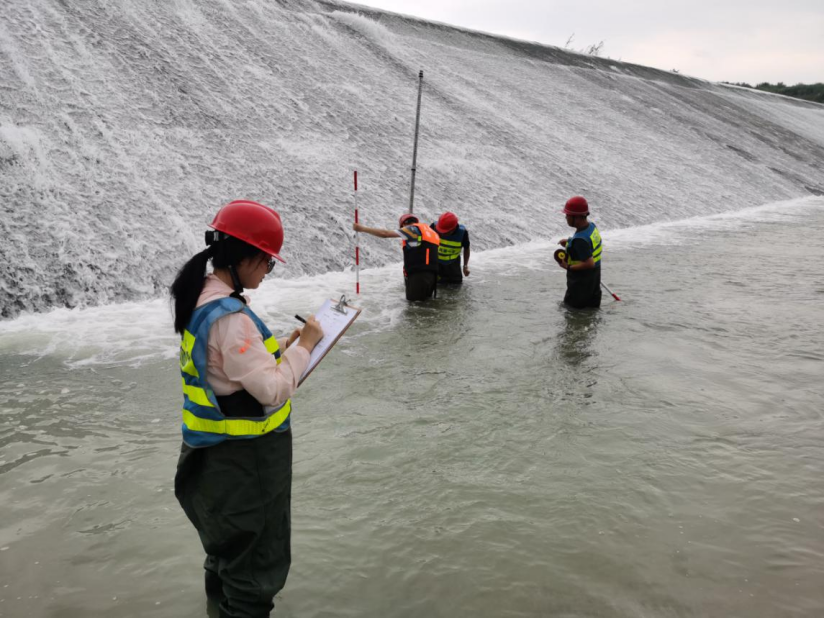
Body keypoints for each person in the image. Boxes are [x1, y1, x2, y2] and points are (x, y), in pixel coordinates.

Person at [170, 199, 324, 618]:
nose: (268, 271)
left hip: (208, 456)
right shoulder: (231, 318)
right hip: (243, 465)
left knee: (226, 552)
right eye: (267, 262)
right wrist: (308, 347)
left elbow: (229, 368)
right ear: (245, 257)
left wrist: (287, 346)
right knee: (254, 569)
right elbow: (272, 391)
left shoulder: (200, 295)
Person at [353, 213, 441, 301]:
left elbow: (385, 233)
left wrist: (362, 229)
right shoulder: (432, 233)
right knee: (425, 304)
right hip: (433, 276)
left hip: (419, 275)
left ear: (404, 225)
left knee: (414, 305)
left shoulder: (411, 229)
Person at [556, 195, 603, 309]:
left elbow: (589, 263)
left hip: (580, 290)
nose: (566, 217)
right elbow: (588, 245)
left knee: (571, 315)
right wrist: (569, 242)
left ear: (576, 217)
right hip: (593, 285)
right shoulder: (591, 227)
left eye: (568, 215)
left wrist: (567, 266)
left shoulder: (580, 240)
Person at [431, 211, 471, 284]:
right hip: (436, 264)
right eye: (441, 231)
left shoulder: (463, 233)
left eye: (445, 232)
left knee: (455, 288)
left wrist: (465, 266)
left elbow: (466, 248)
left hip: (453, 266)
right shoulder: (433, 227)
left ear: (454, 228)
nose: (442, 233)